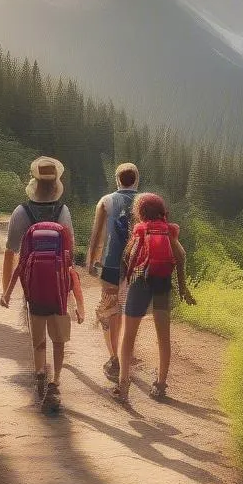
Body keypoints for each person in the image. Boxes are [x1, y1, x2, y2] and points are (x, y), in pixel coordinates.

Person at [0, 156, 85, 414]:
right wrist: (74, 295)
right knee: (58, 338)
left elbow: (10, 252)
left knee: (37, 337)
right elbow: (69, 253)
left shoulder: (20, 212)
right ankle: (55, 382)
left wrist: (8, 289)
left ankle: (39, 372)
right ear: (56, 184)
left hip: (32, 287)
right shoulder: (63, 212)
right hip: (59, 287)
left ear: (33, 183)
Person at [112, 192, 195, 404]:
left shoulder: (140, 229)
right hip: (163, 283)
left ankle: (123, 384)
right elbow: (181, 257)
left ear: (140, 211)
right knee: (163, 337)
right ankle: (160, 384)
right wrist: (183, 287)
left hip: (140, 283)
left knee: (129, 335)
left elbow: (128, 256)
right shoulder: (170, 231)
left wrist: (126, 279)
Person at [87, 162, 140, 382]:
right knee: (130, 312)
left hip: (110, 264)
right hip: (137, 266)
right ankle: (127, 355)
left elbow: (96, 236)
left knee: (110, 311)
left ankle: (114, 358)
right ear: (136, 179)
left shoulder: (106, 201)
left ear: (117, 179)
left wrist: (91, 262)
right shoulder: (145, 201)